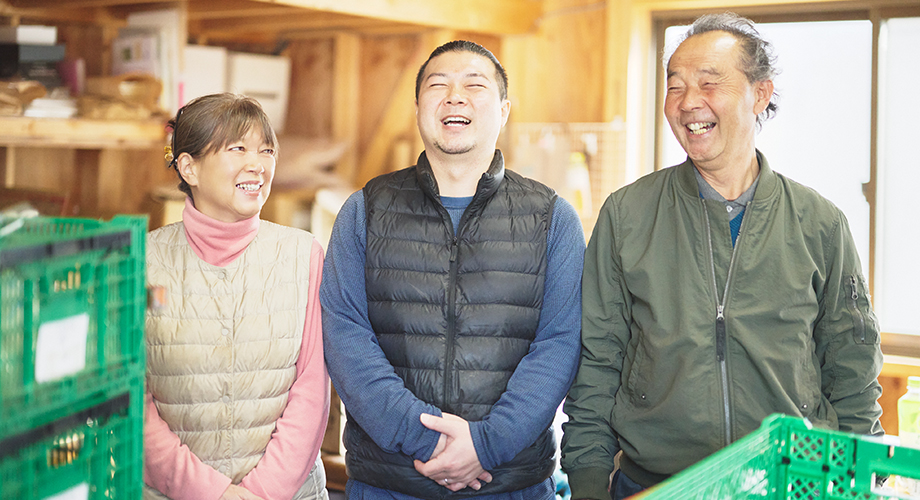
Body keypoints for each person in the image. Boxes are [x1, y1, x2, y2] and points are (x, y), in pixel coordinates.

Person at [561, 13, 884, 500]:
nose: (689, 102)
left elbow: (852, 365)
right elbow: (597, 363)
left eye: (709, 83)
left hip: (791, 483)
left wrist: (858, 478)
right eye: (675, 86)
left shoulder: (820, 222)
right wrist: (588, 482)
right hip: (654, 484)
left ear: (760, 94)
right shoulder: (627, 214)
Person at [320, 40, 585, 500]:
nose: (455, 96)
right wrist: (428, 440)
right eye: (438, 85)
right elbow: (344, 335)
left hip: (510, 483)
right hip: (388, 483)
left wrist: (486, 443)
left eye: (474, 86)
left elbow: (560, 344)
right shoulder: (364, 209)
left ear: (504, 110)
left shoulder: (552, 217)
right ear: (418, 107)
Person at [144, 93, 331, 500]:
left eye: (266, 150)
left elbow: (312, 391)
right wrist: (213, 493)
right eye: (238, 149)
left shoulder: (304, 255)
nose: (257, 164)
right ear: (188, 167)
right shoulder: (141, 261)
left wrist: (260, 494)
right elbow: (132, 403)